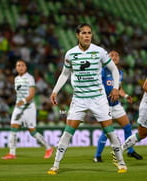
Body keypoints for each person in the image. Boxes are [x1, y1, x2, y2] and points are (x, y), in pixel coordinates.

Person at [47, 23, 127, 175]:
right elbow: (65, 74)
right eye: (83, 33)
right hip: (79, 99)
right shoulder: (70, 54)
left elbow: (114, 70)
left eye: (89, 33)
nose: (87, 36)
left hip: (98, 98)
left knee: (109, 131)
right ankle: (55, 165)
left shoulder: (99, 52)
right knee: (68, 132)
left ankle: (121, 163)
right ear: (77, 35)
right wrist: (55, 91)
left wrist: (116, 87)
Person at [93, 50, 143, 163]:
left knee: (127, 127)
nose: (115, 57)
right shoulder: (102, 71)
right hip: (105, 106)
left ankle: (130, 151)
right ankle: (97, 156)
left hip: (116, 105)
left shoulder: (120, 72)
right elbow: (96, 85)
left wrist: (125, 95)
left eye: (117, 55)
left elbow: (118, 88)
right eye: (112, 55)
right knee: (107, 131)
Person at [1, 59, 54, 160]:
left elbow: (32, 94)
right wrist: (18, 103)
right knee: (13, 128)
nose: (20, 67)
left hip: (28, 107)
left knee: (32, 131)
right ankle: (12, 153)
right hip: (18, 107)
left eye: (22, 65)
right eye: (18, 65)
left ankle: (48, 147)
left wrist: (24, 101)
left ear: (25, 67)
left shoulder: (30, 78)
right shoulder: (16, 79)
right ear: (16, 68)